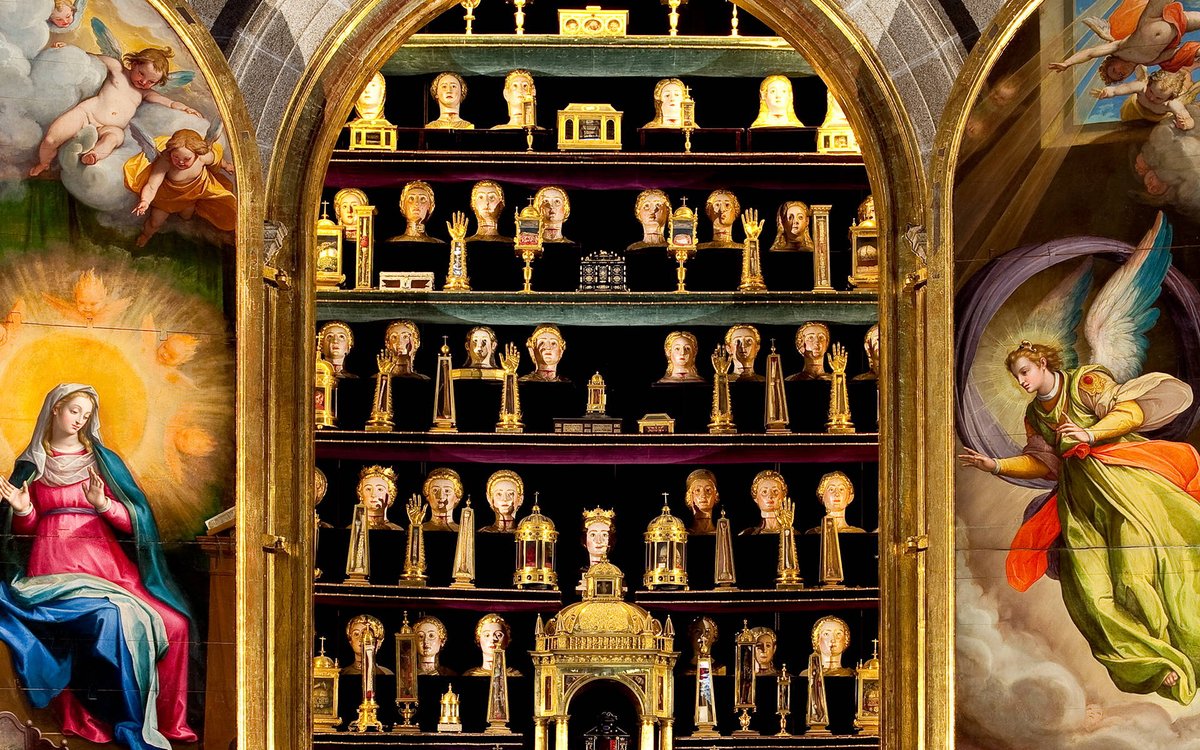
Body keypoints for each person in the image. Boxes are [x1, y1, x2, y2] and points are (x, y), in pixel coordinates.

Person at [958, 340, 1200, 704]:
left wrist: (1090, 433)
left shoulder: (1084, 383)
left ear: (1043, 362)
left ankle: (1185, 648)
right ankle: (1151, 663)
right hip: (1079, 507)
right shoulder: (1035, 415)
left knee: (1137, 577)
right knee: (1090, 594)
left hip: (1124, 489)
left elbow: (1130, 412)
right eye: (1016, 376)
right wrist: (996, 465)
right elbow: (1042, 462)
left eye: (1025, 371)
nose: (1021, 381)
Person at [0, 384, 196, 747]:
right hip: (54, 567)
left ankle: (171, 723)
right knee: (111, 620)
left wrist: (102, 503)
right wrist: (24, 510)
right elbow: (22, 534)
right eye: (74, 411)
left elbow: (135, 521)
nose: (80, 420)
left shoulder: (102, 461)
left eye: (86, 415)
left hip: (108, 567)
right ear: (56, 409)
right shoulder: (31, 465)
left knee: (175, 625)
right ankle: (116, 717)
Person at [30, 46, 201, 176]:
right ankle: (43, 163)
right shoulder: (118, 70)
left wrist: (185, 107)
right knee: (51, 138)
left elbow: (169, 102)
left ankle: (94, 155)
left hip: (110, 127)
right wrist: (67, 49)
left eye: (151, 82)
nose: (144, 82)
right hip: (87, 114)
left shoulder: (145, 93)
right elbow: (88, 57)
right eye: (141, 74)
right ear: (134, 64)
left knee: (115, 137)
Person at [124, 128, 237, 247]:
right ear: (170, 152)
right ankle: (146, 235)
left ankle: (187, 224)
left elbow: (217, 161)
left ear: (197, 154)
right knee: (155, 222)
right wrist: (145, 201)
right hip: (168, 199)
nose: (181, 162)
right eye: (176, 157)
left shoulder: (203, 157)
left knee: (186, 216)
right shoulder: (165, 161)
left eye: (187, 159)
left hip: (192, 196)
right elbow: (152, 185)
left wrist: (226, 166)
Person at [1048, 0, 1200, 82]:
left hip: (1153, 16)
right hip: (1180, 24)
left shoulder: (1120, 48)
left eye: (1114, 71)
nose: (1120, 72)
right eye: (1121, 76)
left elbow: (1090, 53)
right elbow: (1173, 53)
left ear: (1111, 61)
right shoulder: (1148, 62)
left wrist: (1068, 63)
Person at [1092, 67, 1196, 129]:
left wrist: (1186, 124)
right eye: (1151, 91)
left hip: (1156, 121)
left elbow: (1188, 118)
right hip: (1134, 111)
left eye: (1158, 98)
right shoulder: (1141, 87)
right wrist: (1106, 92)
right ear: (1149, 84)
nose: (1152, 98)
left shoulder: (1171, 104)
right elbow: (1117, 90)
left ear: (1169, 98)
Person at [352, 465, 403, 530]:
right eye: (368, 489)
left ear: (390, 496)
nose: (373, 495)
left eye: (380, 489)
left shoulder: (396, 529)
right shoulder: (354, 530)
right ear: (361, 494)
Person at [741, 469, 787, 535]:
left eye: (775, 491)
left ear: (783, 496)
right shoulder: (747, 533)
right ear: (756, 498)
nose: (770, 496)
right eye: (764, 492)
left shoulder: (792, 533)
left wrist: (787, 527)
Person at [684, 469, 720, 534]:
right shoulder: (682, 535)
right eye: (697, 490)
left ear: (715, 495)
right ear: (689, 496)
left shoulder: (722, 535)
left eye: (708, 490)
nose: (703, 495)